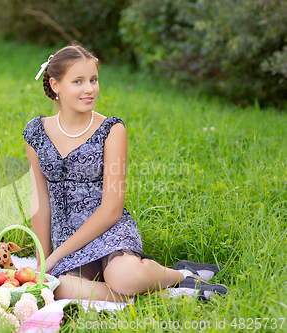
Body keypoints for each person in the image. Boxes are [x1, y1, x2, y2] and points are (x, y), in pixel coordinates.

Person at [23, 45, 227, 302]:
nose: (89, 89)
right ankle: (160, 295)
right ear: (55, 85)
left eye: (93, 80)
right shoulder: (36, 133)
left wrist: (56, 255)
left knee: (124, 277)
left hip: (108, 230)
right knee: (57, 288)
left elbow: (112, 209)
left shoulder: (112, 130)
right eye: (78, 81)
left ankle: (179, 275)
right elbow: (40, 201)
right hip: (65, 237)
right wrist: (42, 262)